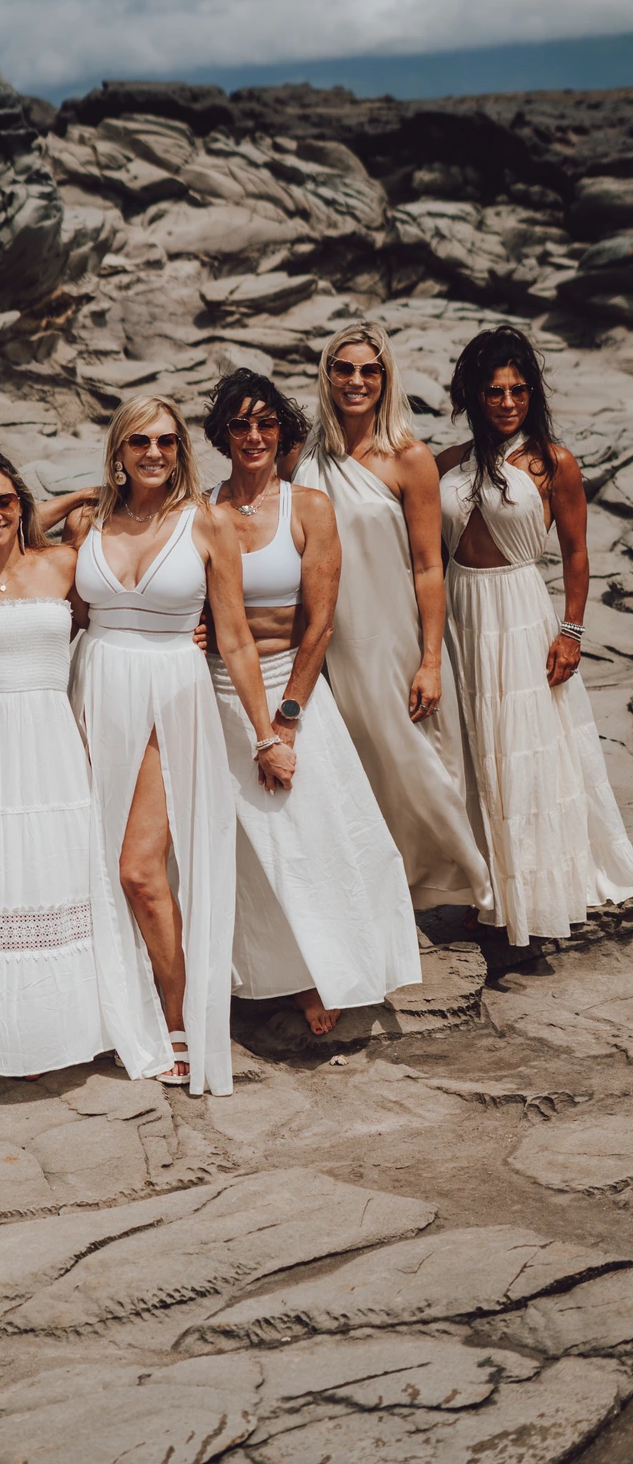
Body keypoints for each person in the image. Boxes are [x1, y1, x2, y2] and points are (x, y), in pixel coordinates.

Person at [64, 397, 294, 1095]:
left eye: (166, 441)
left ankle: (179, 1018)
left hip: (170, 696)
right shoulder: (89, 521)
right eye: (139, 442)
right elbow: (62, 605)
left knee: (140, 869)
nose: (155, 453)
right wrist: (86, 491)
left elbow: (233, 638)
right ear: (120, 449)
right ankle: (110, 1009)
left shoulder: (208, 523)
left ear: (182, 449)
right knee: (91, 863)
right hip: (95, 690)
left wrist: (266, 734)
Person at [203, 370, 421, 1035]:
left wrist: (287, 723)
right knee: (244, 846)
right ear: (222, 434)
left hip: (291, 687)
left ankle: (332, 967)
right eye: (240, 424)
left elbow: (320, 625)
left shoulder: (309, 508)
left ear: (282, 432)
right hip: (216, 689)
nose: (254, 436)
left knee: (317, 832)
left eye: (266, 423)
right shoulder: (201, 508)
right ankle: (268, 976)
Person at [437, 328, 633, 944]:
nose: (507, 402)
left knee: (525, 748)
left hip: (521, 612)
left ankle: (534, 887)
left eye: (519, 390)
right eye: (494, 391)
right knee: (472, 751)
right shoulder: (446, 463)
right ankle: (486, 883)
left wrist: (571, 631)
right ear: (473, 393)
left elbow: (577, 553)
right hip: (460, 614)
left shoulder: (554, 462)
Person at [294, 322, 492, 914]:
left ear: (385, 379)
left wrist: (431, 660)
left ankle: (461, 881)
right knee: (351, 761)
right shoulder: (304, 453)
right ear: (327, 375)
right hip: (322, 637)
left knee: (411, 760)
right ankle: (379, 889)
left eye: (369, 370)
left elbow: (431, 567)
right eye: (345, 368)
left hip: (389, 636)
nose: (356, 381)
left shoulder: (409, 458)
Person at [0, 451, 113, 1078]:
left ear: (21, 505)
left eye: (5, 501)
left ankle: (67, 1024)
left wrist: (71, 503)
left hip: (49, 732)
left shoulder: (63, 563)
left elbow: (106, 629)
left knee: (57, 864)